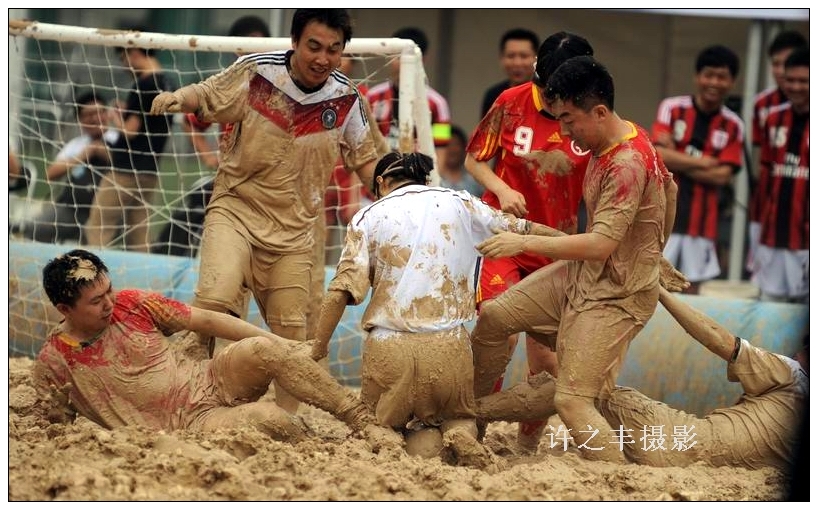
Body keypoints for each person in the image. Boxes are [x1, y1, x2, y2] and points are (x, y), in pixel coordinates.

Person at [149, 9, 380, 414]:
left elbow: (366, 161)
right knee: (215, 299)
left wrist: (400, 191)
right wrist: (179, 98)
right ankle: (184, 395)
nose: (322, 58)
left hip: (294, 231)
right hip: (236, 209)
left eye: (333, 50)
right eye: (314, 47)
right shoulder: (257, 72)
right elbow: (207, 93)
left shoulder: (348, 99)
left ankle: (288, 419)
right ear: (294, 41)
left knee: (291, 332)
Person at [471, 55, 678, 464]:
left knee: (571, 400)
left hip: (616, 296)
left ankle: (617, 476)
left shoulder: (626, 163)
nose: (563, 131)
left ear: (598, 112)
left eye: (567, 120)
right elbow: (670, 189)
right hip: (583, 273)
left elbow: (599, 245)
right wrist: (655, 246)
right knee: (494, 317)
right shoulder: (621, 134)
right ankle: (468, 419)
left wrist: (522, 241)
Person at [310, 151, 558, 467]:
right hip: (448, 348)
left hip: (389, 349)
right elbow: (526, 229)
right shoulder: (461, 202)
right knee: (459, 418)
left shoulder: (368, 216)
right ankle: (460, 433)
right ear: (427, 180)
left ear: (382, 183)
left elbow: (339, 292)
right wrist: (577, 244)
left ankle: (386, 441)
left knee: (375, 424)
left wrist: (318, 347)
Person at [31, 249, 400, 448]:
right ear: (65, 309)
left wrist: (283, 343)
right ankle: (319, 449)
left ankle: (361, 420)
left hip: (206, 379)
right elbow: (56, 430)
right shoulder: (55, 362)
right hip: (185, 426)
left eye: (109, 290)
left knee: (261, 348)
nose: (108, 303)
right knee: (270, 418)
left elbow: (206, 320)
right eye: (96, 300)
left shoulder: (131, 302)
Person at [476, 285, 808, 471]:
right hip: (688, 460)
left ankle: (471, 410)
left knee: (574, 390)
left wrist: (659, 291)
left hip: (672, 438)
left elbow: (715, 337)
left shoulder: (793, 376)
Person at [464, 31, 593, 452]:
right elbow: (474, 159)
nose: (549, 101)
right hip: (505, 235)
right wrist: (502, 189)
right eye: (545, 89)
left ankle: (526, 447)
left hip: (554, 246)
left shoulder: (590, 120)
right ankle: (471, 429)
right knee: (498, 332)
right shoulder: (510, 102)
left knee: (548, 361)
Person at [152, 15, 272, 258]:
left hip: (270, 183)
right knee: (215, 236)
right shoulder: (227, 86)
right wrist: (208, 156)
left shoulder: (283, 86)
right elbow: (191, 122)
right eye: (249, 43)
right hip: (231, 180)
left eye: (259, 44)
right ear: (236, 48)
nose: (255, 50)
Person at [651, 44, 744, 295]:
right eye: (708, 75)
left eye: (721, 77)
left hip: (702, 223)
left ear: (732, 82)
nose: (714, 82)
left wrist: (677, 158)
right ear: (697, 76)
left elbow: (722, 176)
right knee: (652, 284)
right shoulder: (672, 108)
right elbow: (659, 155)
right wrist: (705, 161)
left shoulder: (734, 124)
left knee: (691, 289)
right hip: (661, 218)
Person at [84, 26, 175, 252]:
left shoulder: (143, 84)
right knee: (139, 233)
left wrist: (114, 117)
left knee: (98, 225)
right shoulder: (168, 84)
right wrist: (127, 110)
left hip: (126, 169)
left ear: (133, 52)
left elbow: (130, 131)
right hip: (150, 170)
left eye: (123, 58)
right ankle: (145, 275)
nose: (124, 65)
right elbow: (149, 122)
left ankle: (93, 271)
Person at [750, 47, 809, 304]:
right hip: (772, 234)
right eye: (790, 80)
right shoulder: (773, 118)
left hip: (807, 237)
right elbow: (765, 174)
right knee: (770, 305)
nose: (795, 87)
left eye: (803, 81)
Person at [22, 91, 117, 244]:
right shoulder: (77, 144)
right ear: (80, 120)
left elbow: (130, 170)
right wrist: (82, 156)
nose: (94, 118)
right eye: (88, 115)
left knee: (95, 245)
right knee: (35, 228)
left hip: (108, 213)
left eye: (99, 112)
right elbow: (50, 174)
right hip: (72, 210)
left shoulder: (119, 139)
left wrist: (104, 153)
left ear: (107, 114)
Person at [366, 26, 452, 165]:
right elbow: (362, 147)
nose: (401, 63)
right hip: (378, 171)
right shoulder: (372, 97)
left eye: (407, 57)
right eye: (397, 56)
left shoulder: (438, 104)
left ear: (422, 60)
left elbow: (441, 149)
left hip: (418, 174)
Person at [480, 28, 539, 118]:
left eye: (524, 56)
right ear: (501, 58)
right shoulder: (493, 95)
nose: (517, 63)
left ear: (537, 58)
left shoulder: (545, 95)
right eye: (511, 56)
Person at [437, 125, 483, 197]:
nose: (452, 149)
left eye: (456, 144)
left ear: (464, 149)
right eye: (448, 144)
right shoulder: (433, 181)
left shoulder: (474, 183)